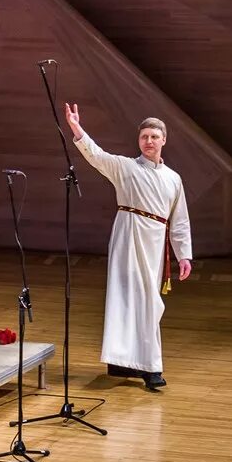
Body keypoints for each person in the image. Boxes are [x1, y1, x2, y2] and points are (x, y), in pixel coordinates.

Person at [64, 103, 192, 391]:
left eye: (154, 136)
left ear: (163, 140)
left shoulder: (173, 178)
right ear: (139, 140)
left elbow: (180, 219)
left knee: (148, 301)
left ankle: (132, 361)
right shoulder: (125, 167)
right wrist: (76, 127)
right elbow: (96, 155)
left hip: (155, 240)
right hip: (128, 233)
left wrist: (184, 255)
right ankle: (149, 367)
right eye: (144, 136)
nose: (149, 141)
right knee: (128, 297)